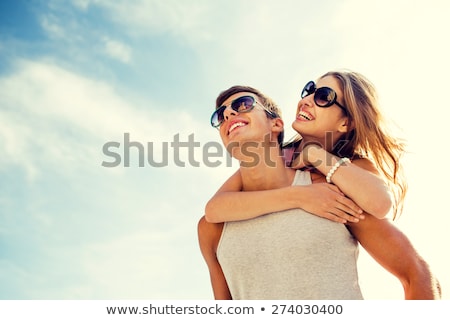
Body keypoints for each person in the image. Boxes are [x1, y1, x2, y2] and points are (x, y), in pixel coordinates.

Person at [198, 72, 441, 299]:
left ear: (276, 124)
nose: (228, 114)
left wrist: (314, 154)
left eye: (324, 96)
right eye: (220, 115)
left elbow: (382, 206)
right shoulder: (216, 226)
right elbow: (214, 209)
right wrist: (299, 197)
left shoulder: (338, 189)